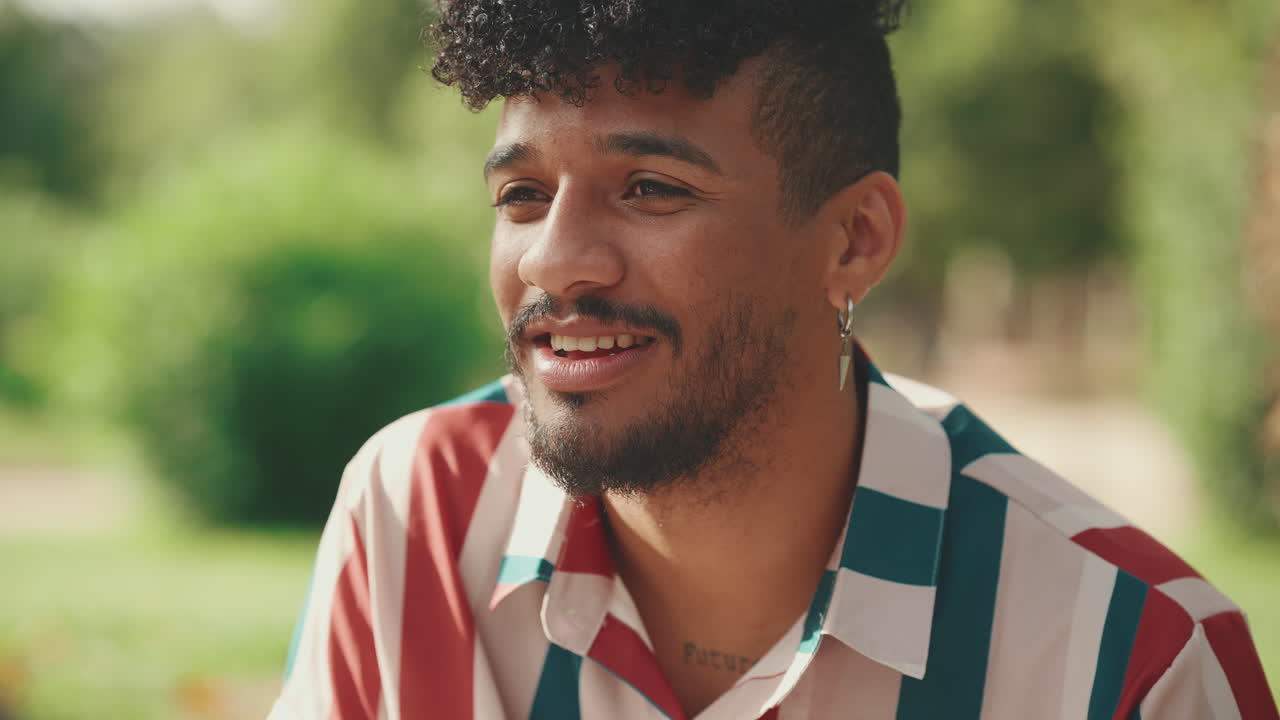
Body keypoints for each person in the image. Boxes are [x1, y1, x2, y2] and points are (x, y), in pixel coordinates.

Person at [269, 1, 1278, 718]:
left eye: (650, 189)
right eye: (521, 195)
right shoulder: (412, 514)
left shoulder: (1132, 664)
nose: (554, 260)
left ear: (852, 241)